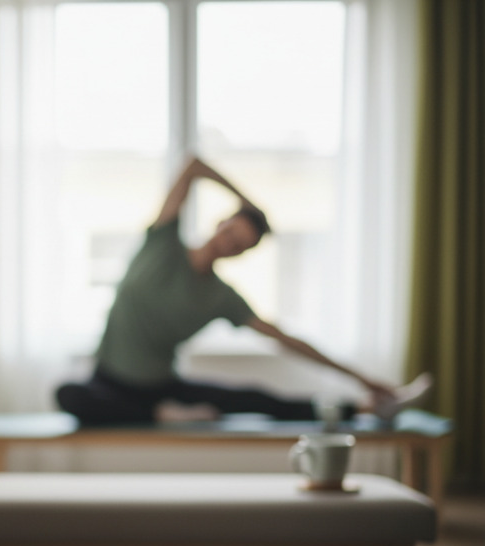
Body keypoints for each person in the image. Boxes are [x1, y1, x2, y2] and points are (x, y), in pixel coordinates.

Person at [56, 155, 431, 426]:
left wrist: (363, 379)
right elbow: (193, 166)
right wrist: (247, 200)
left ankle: (369, 406)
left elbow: (285, 340)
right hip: (109, 383)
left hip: (164, 386)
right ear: (221, 222)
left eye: (241, 246)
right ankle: (160, 415)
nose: (231, 244)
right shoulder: (162, 242)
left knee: (258, 397)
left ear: (242, 255)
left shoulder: (222, 297)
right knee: (68, 394)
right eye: (232, 232)